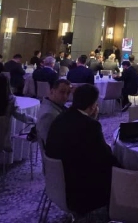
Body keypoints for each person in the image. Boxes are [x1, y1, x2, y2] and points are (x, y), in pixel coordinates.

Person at [46, 84, 119, 215]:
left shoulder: (60, 118)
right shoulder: (90, 126)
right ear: (92, 106)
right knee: (119, 175)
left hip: (57, 185)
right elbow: (106, 159)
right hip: (79, 192)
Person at [36, 79, 70, 148]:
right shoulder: (48, 115)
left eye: (68, 93)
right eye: (62, 92)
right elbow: (51, 145)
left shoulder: (52, 107)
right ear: (52, 91)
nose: (65, 96)